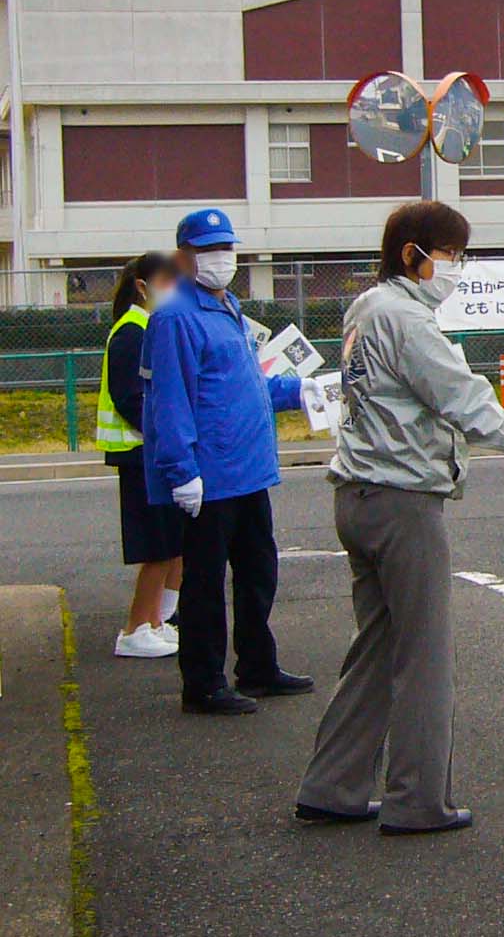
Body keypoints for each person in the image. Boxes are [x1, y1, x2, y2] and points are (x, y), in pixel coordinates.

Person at [296, 202, 504, 835]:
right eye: (451, 255)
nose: (456, 267)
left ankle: (333, 785)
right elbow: (468, 403)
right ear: (414, 254)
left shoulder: (366, 308)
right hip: (403, 501)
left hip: (355, 493)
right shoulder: (409, 321)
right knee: (424, 657)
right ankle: (417, 800)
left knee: (375, 649)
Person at [142, 208, 323, 716]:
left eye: (226, 248)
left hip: (247, 470)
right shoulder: (176, 316)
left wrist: (296, 390)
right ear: (184, 257)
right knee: (203, 585)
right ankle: (203, 684)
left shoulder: (229, 307)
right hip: (209, 475)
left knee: (257, 572)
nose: (221, 258)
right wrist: (182, 471)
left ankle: (258, 667)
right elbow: (169, 399)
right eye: (208, 250)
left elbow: (244, 382)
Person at [98, 252, 183, 659]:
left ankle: (155, 622)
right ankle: (135, 628)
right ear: (142, 285)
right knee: (156, 547)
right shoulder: (131, 332)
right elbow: (130, 397)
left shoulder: (148, 326)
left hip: (150, 451)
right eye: (167, 281)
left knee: (170, 543)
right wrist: (162, 431)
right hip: (138, 454)